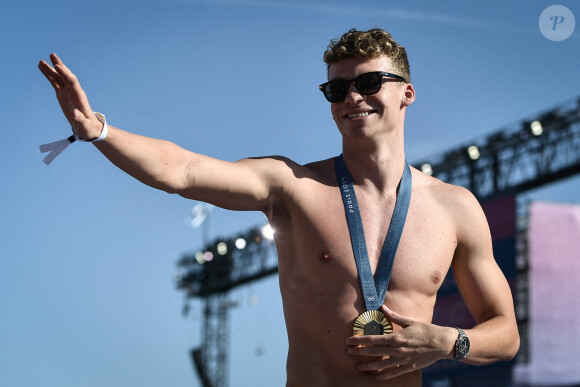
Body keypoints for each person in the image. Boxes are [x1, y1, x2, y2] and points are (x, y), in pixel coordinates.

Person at [38, 28, 519, 386]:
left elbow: (505, 333)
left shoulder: (455, 208)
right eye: (337, 89)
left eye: (370, 82)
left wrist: (448, 342)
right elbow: (181, 171)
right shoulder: (294, 185)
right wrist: (98, 130)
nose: (353, 96)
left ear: (406, 93)